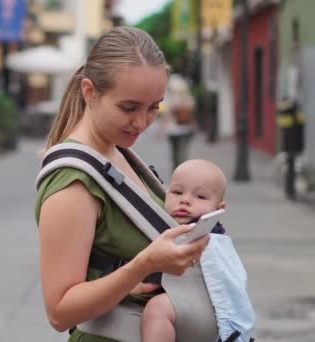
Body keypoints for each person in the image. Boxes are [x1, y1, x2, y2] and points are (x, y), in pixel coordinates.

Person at [35, 26, 211, 341]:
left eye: (153, 107)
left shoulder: (117, 153)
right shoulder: (72, 184)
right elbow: (59, 311)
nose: (142, 122)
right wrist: (144, 264)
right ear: (90, 92)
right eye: (128, 108)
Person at [142, 159, 226, 341]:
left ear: (219, 209)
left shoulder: (200, 230)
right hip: (196, 305)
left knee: (156, 310)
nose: (185, 200)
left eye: (200, 197)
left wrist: (139, 284)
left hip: (203, 303)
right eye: (177, 192)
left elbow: (168, 267)